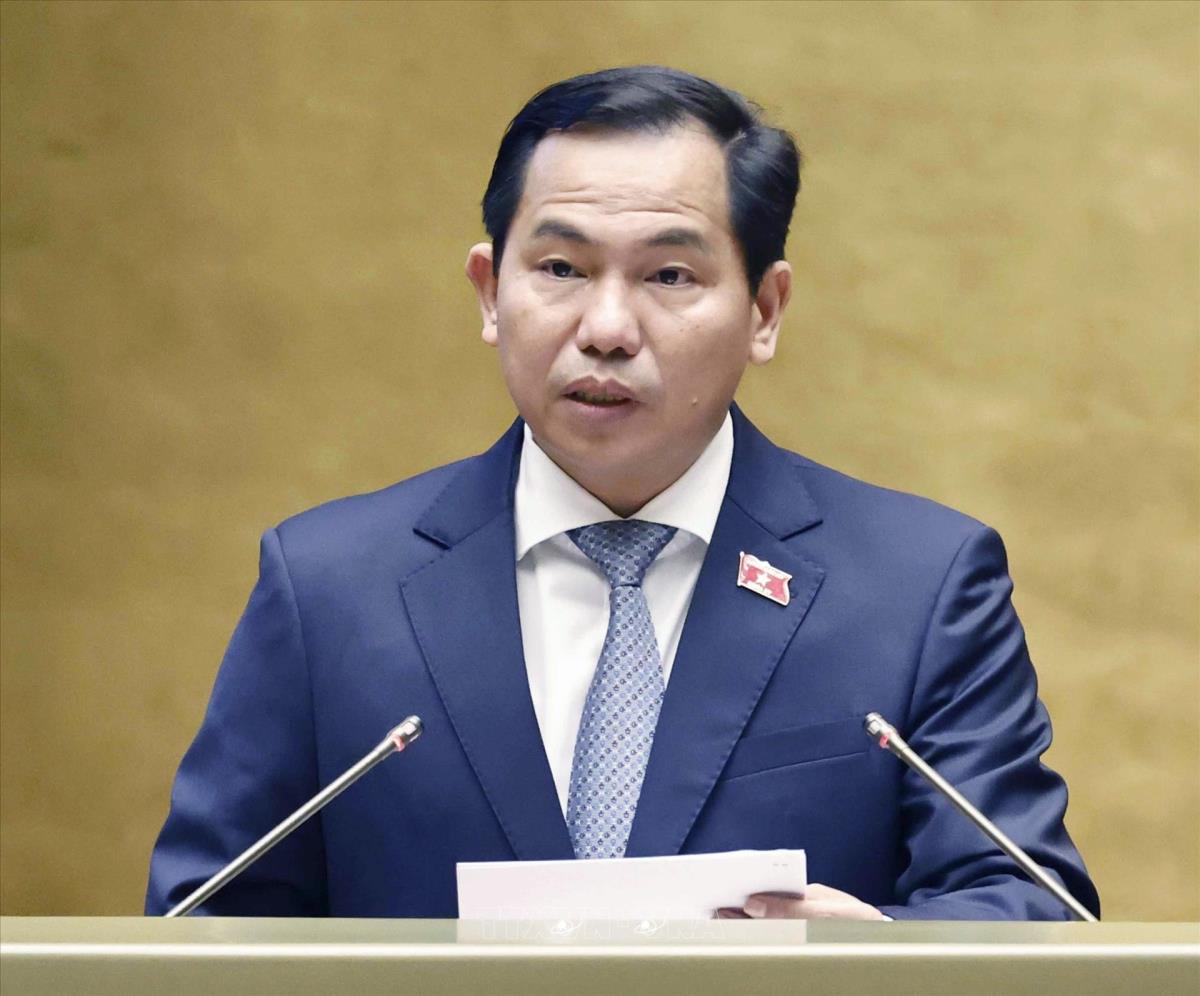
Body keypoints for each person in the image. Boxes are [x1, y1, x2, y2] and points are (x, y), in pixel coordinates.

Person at [146, 66, 1099, 920]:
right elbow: (204, 924)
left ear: (765, 310)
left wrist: (873, 965)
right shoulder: (328, 588)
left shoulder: (918, 588)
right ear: (489, 291)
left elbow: (1027, 901)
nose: (606, 327)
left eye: (669, 275)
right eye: (560, 268)